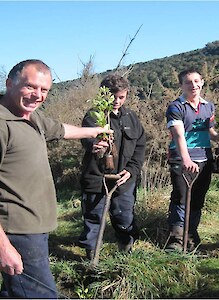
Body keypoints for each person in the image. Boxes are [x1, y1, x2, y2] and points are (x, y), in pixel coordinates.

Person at [0, 59, 112, 299]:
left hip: (35, 227)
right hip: (16, 231)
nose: (37, 95)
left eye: (44, 90)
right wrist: (3, 247)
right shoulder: (2, 124)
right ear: (9, 83)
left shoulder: (31, 117)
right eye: (30, 87)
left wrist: (94, 131)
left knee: (16, 292)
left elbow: (61, 130)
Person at [78, 74, 145, 258]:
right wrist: (95, 144)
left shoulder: (131, 118)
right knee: (94, 218)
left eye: (121, 97)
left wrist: (131, 171)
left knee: (124, 218)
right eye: (112, 96)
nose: (116, 101)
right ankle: (92, 258)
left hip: (124, 180)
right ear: (103, 95)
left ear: (126, 95)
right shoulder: (94, 116)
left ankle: (125, 255)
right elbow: (87, 137)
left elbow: (139, 147)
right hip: (96, 178)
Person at [165, 68, 219, 252]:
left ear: (202, 83)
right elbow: (178, 135)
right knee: (181, 197)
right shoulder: (176, 107)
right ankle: (176, 240)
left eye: (196, 81)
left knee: (198, 199)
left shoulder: (208, 106)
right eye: (188, 82)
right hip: (181, 158)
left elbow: (210, 131)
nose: (193, 85)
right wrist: (186, 159)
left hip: (204, 158)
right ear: (181, 85)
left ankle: (191, 236)